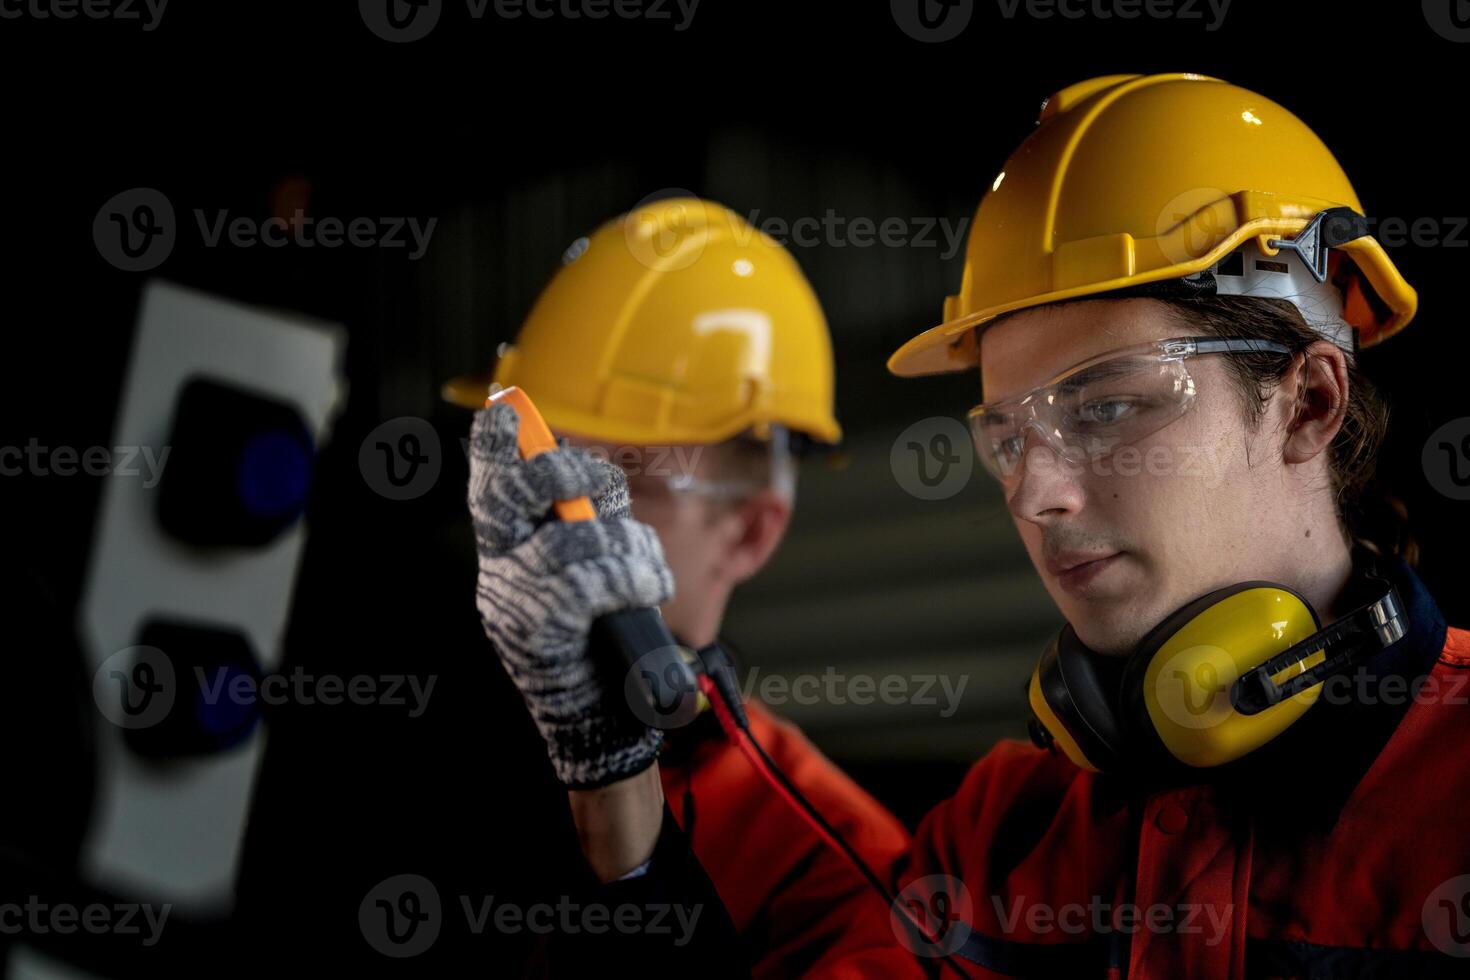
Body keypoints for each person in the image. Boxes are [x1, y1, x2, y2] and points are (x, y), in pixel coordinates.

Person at [467, 74, 1470, 977]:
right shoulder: (1003, 832)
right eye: (1007, 435)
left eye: (1107, 405)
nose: (1035, 493)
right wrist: (615, 798)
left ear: (1309, 400)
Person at [449, 197, 908, 977]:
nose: (564, 525)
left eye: (621, 484)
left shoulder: (827, 866)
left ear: (751, 531)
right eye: (540, 469)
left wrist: (624, 843)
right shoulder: (434, 742)